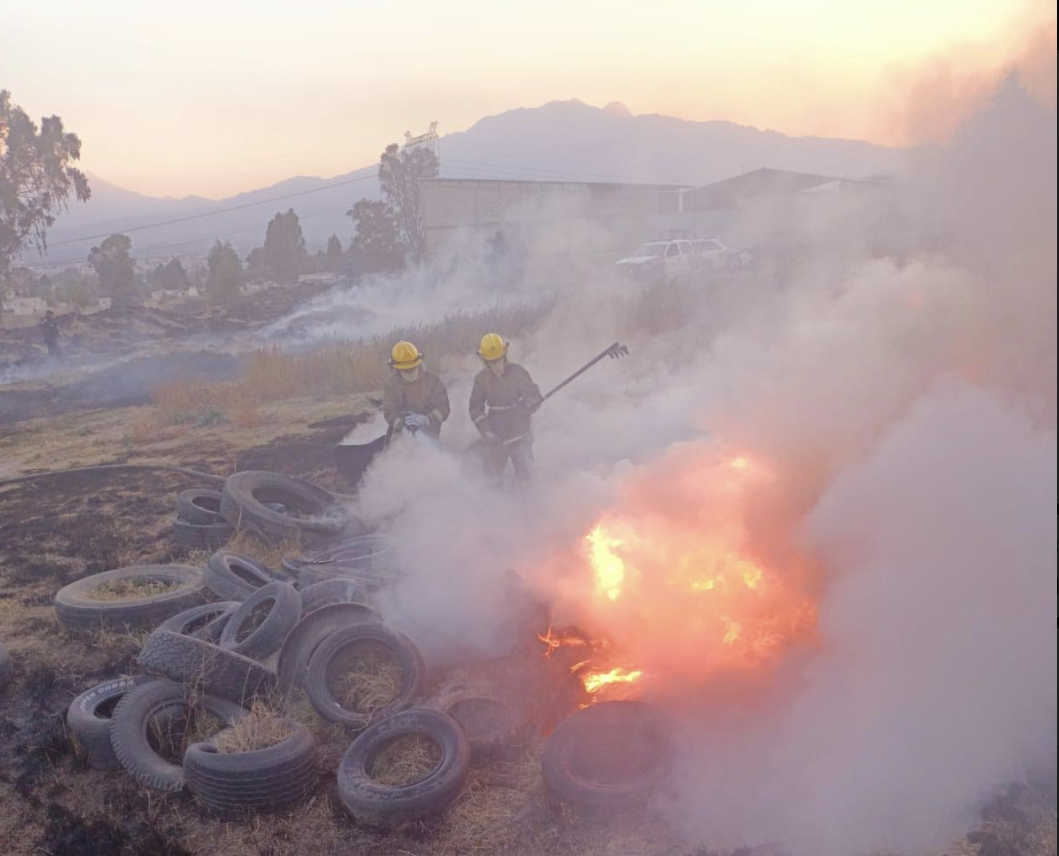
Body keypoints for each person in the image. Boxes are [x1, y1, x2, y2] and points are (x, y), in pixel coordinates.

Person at [469, 333, 543, 485]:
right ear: (484, 361)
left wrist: (529, 404)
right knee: (491, 481)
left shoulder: (518, 372)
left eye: (498, 360)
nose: (496, 365)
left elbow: (534, 394)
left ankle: (528, 497)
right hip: (496, 437)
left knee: (526, 478)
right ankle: (496, 499)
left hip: (520, 434)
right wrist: (486, 431)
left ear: (505, 355)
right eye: (492, 362)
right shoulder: (481, 379)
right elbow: (475, 408)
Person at [382, 340, 450, 439]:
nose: (410, 372)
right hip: (401, 437)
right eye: (406, 370)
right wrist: (402, 428)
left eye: (413, 368)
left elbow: (444, 408)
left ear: (419, 363)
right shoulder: (391, 386)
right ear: (396, 369)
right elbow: (390, 412)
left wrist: (427, 419)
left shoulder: (433, 381)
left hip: (430, 434)